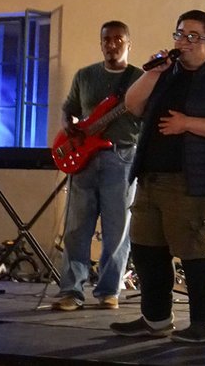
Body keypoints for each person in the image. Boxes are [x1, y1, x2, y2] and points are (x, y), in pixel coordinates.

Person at [109, 10, 205, 344]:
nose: (183, 42)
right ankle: (155, 319)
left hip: (192, 180)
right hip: (151, 175)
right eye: (180, 34)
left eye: (192, 37)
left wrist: (187, 124)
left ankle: (201, 322)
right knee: (146, 249)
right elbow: (132, 105)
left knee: (191, 249)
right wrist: (152, 73)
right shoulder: (165, 74)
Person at [52, 21, 143, 312]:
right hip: (84, 158)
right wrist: (69, 125)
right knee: (76, 228)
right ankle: (71, 291)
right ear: (101, 43)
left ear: (128, 43)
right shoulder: (85, 75)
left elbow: (149, 115)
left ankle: (108, 291)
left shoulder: (140, 79)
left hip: (122, 156)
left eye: (118, 39)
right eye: (106, 39)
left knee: (117, 229)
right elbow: (70, 108)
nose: (111, 44)